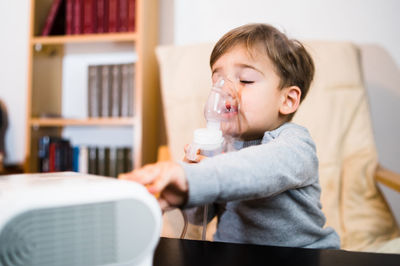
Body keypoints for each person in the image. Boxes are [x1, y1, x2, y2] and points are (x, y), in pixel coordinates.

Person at [120, 23, 340, 249]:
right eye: (218, 81)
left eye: (245, 80)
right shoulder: (222, 147)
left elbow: (257, 170)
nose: (225, 92)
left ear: (287, 100)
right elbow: (199, 218)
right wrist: (186, 185)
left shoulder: (294, 144)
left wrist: (195, 176)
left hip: (299, 257)